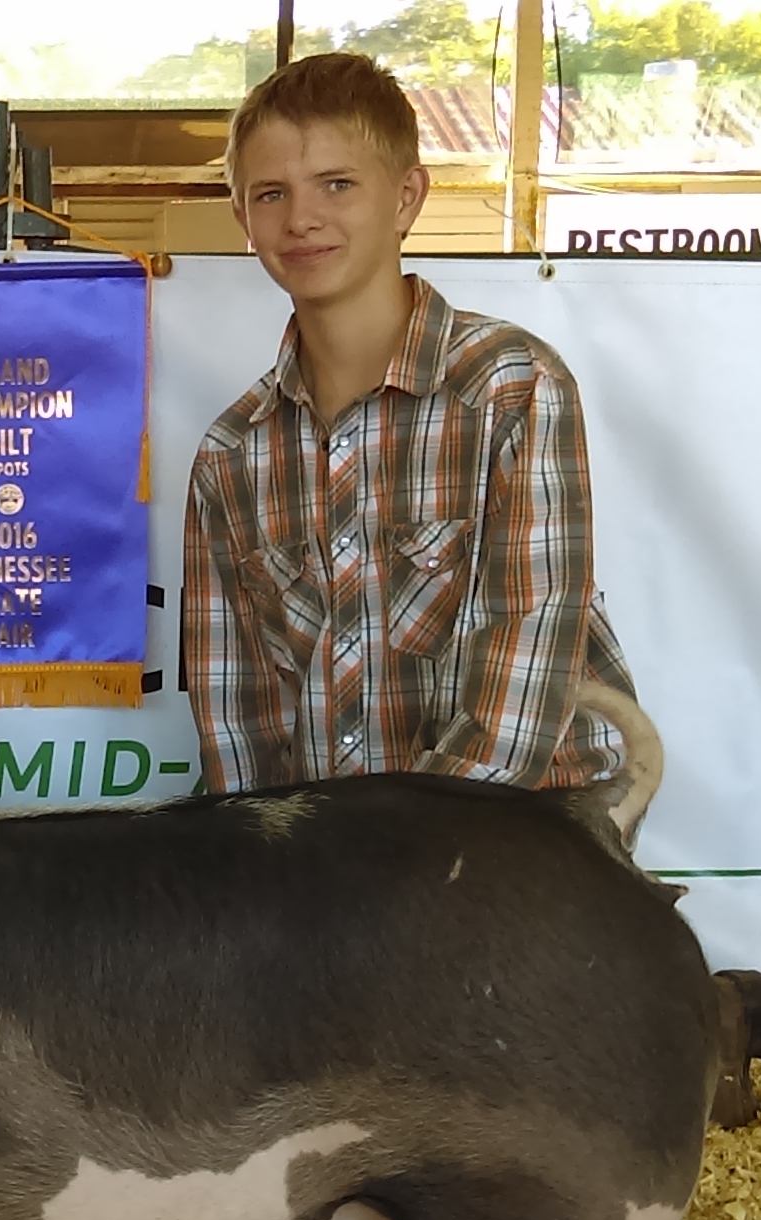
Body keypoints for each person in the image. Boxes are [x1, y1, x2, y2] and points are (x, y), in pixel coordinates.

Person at [183, 52, 637, 796]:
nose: (301, 218)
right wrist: (259, 859)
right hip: (337, 850)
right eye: (270, 193)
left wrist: (397, 859)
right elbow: (240, 721)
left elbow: (524, 665)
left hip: (529, 829)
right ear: (243, 218)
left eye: (337, 184)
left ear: (405, 197)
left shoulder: (510, 387)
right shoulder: (231, 456)